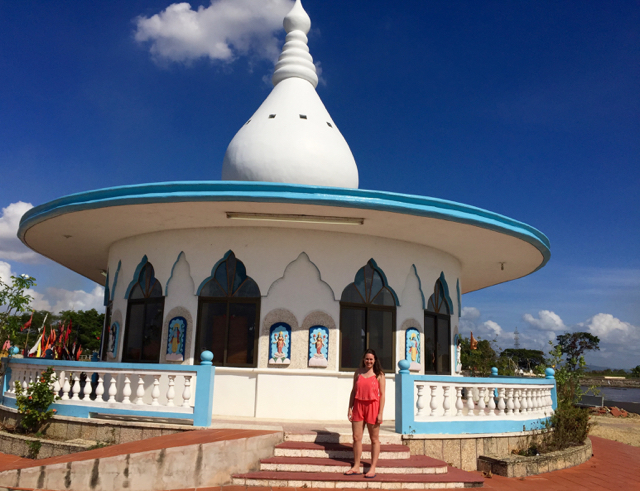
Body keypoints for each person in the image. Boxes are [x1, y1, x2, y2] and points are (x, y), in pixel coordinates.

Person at [345, 349, 386, 478]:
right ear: (364, 359)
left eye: (371, 359)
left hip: (373, 407)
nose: (368, 361)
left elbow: (383, 395)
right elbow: (353, 391)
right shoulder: (358, 373)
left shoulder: (379, 374)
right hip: (358, 405)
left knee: (374, 439)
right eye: (367, 359)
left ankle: (372, 467)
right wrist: (350, 407)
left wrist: (380, 413)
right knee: (356, 437)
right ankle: (356, 466)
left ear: (375, 360)